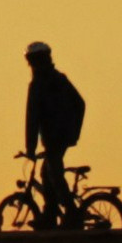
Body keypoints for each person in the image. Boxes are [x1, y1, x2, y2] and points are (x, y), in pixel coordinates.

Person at [24, 42, 86, 229]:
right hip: (59, 137)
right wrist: (73, 132)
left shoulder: (40, 84)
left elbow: (32, 119)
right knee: (47, 173)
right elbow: (80, 104)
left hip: (54, 138)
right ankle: (49, 215)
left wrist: (30, 148)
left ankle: (71, 213)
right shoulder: (58, 79)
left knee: (55, 174)